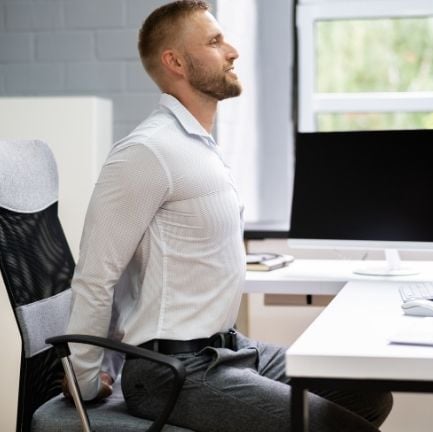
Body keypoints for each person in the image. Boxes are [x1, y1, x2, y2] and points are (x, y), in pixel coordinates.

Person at [65, 1, 393, 430]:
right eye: (215, 41)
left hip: (227, 351)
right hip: (171, 371)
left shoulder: (198, 147)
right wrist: (86, 380)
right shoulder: (146, 152)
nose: (233, 50)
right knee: (338, 427)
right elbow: (96, 274)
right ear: (175, 62)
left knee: (366, 394)